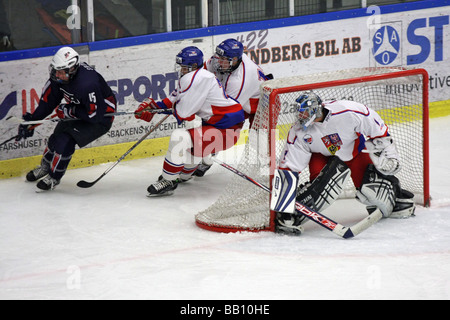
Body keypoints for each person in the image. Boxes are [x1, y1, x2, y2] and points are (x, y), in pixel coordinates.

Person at [271, 91, 416, 235]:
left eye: (304, 113)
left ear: (315, 109)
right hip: (322, 157)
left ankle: (394, 195)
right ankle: (293, 214)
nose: (300, 117)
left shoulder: (345, 111)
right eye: (299, 113)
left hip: (353, 152)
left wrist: (389, 152)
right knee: (319, 190)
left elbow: (371, 122)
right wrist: (284, 203)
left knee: (370, 188)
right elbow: (289, 166)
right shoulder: (298, 132)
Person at [134, 46, 245, 196]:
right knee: (184, 174)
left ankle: (168, 181)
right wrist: (153, 106)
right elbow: (174, 100)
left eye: (184, 67)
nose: (181, 70)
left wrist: (162, 110)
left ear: (193, 66)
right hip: (218, 126)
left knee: (180, 137)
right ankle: (199, 165)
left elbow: (184, 113)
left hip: (226, 130)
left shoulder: (198, 78)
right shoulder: (195, 75)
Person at [16, 46, 117, 191]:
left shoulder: (88, 84)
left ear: (73, 69)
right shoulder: (57, 78)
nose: (57, 75)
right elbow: (47, 103)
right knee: (56, 138)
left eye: (61, 72)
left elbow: (95, 115)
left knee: (65, 140)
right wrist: (32, 121)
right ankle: (45, 167)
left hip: (101, 117)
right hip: (80, 109)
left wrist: (70, 110)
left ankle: (54, 177)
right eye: (55, 70)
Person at [195, 38, 272, 177]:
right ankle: (207, 160)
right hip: (242, 101)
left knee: (258, 138)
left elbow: (227, 110)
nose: (219, 62)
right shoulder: (220, 60)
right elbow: (199, 73)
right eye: (219, 57)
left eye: (225, 60)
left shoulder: (240, 80)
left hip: (263, 103)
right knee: (214, 121)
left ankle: (268, 171)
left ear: (236, 60)